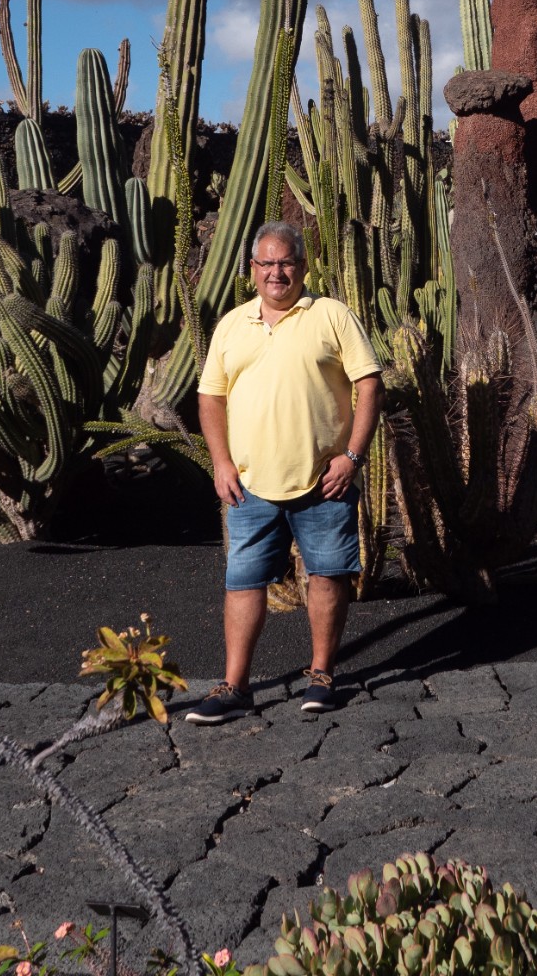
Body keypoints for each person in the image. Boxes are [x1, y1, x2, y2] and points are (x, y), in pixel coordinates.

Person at [186, 220, 383, 723]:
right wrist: (221, 462)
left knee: (327, 576)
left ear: (303, 266)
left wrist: (352, 456)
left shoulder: (331, 315)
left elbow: (369, 385)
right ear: (252, 269)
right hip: (250, 484)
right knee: (243, 582)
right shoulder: (232, 325)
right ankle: (235, 686)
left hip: (324, 482)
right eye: (267, 263)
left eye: (286, 262)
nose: (277, 272)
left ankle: (321, 676)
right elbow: (210, 398)